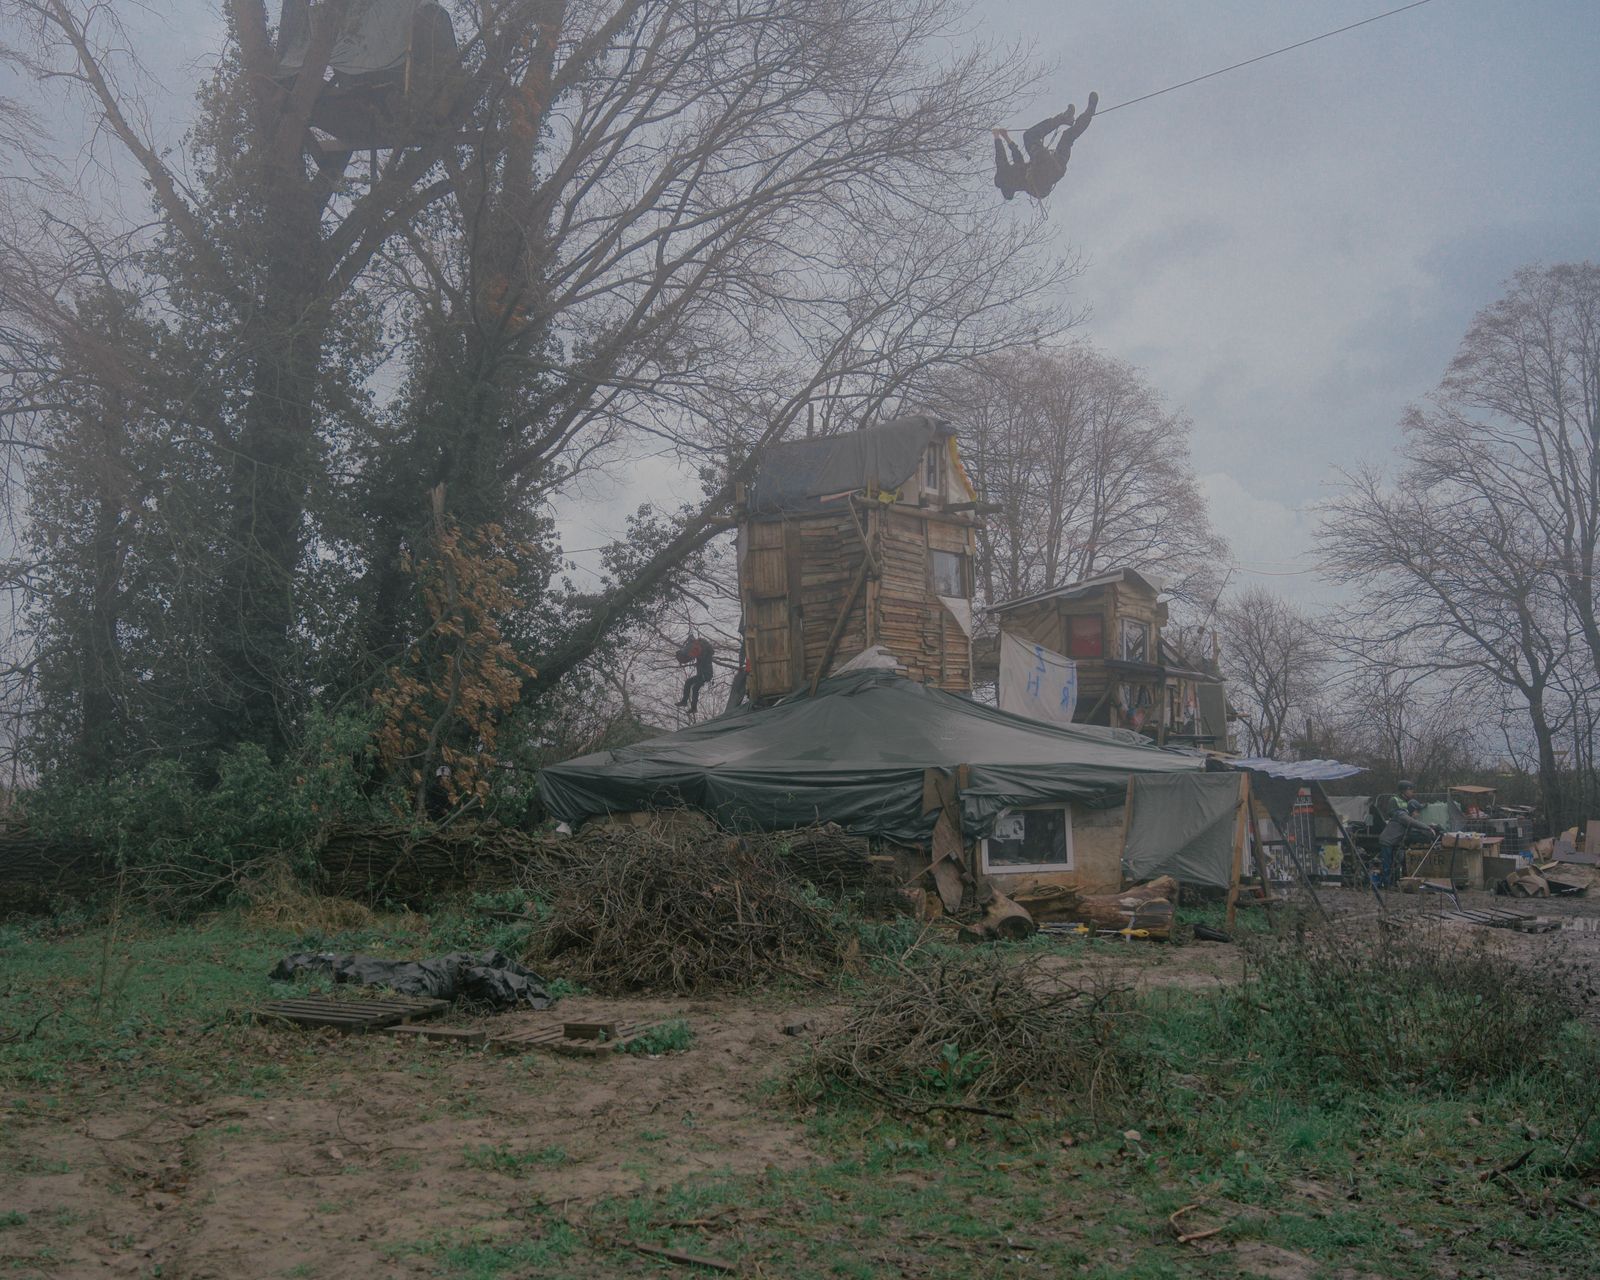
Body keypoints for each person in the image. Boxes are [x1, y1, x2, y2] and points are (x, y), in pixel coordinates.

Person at [993, 91, 1098, 202]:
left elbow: (1017, 158)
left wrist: (1006, 137)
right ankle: (1063, 118)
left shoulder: (1016, 179)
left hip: (1057, 169)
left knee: (1067, 138)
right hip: (1042, 166)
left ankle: (1089, 113)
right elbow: (1001, 156)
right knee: (1029, 136)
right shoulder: (1003, 172)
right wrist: (996, 136)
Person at [1376, 780, 1442, 888]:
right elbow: (1412, 822)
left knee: (1393, 863)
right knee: (1387, 864)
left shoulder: (1405, 813)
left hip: (1393, 841)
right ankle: (1387, 884)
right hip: (1387, 841)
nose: (1417, 814)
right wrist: (1428, 828)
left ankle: (1392, 883)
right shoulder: (1401, 815)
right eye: (1416, 812)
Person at [675, 634, 715, 714]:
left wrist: (694, 656)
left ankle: (693, 708)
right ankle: (685, 701)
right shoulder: (701, 651)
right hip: (701, 675)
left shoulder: (706, 653)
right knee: (688, 682)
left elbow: (702, 656)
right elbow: (696, 655)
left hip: (706, 675)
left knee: (695, 688)